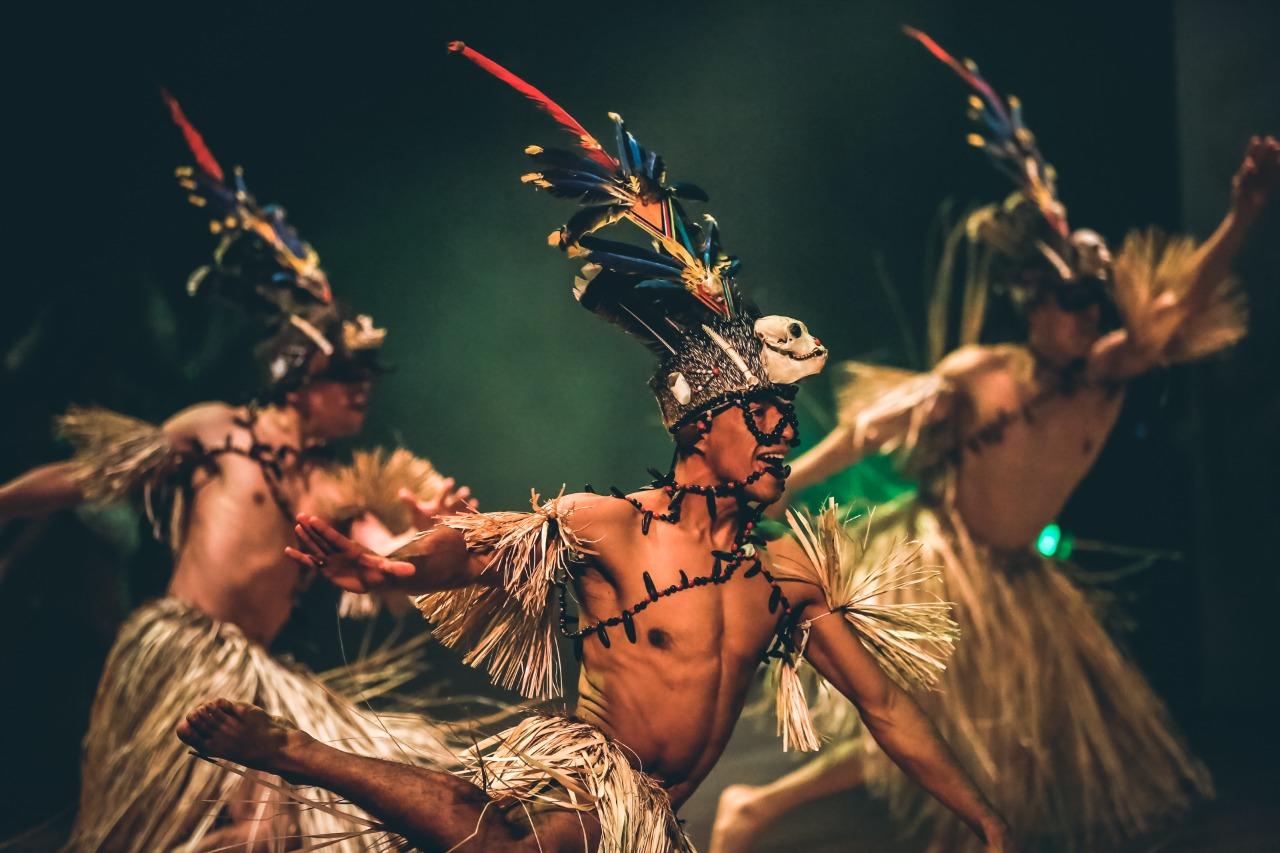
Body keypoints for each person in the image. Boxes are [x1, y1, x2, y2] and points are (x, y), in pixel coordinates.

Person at [176, 43, 1010, 853]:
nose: (784, 436)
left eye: (787, 419)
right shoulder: (612, 527)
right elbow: (481, 548)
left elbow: (886, 707)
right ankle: (301, 752)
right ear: (699, 424)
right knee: (511, 842)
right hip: (585, 782)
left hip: (648, 827)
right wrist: (391, 570)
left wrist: (986, 818)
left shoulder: (785, 579)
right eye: (762, 415)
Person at [710, 29, 1278, 853]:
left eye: (1091, 305)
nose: (1083, 318)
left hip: (1019, 580)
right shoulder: (981, 374)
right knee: (924, 723)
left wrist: (1243, 215)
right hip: (943, 564)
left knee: (1004, 741)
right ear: (1033, 306)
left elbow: (1180, 309)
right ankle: (756, 808)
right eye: (1068, 304)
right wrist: (777, 483)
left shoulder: (1108, 371)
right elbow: (867, 431)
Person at [0, 93, 474, 852]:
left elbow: (383, 563)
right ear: (297, 371)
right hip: (182, 653)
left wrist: (434, 537)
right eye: (346, 374)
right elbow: (86, 478)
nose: (363, 390)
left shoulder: (341, 485)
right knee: (170, 826)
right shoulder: (216, 428)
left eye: (367, 378)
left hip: (258, 677)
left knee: (270, 828)